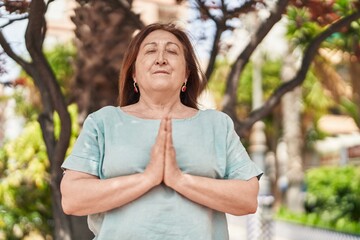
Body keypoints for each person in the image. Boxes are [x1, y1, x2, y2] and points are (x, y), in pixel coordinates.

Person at [60, 22, 263, 240]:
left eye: (172, 51)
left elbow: (247, 199)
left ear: (186, 73)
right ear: (134, 74)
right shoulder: (103, 122)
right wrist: (148, 178)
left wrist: (179, 180)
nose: (161, 59)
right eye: (150, 50)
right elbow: (72, 199)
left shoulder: (217, 124)